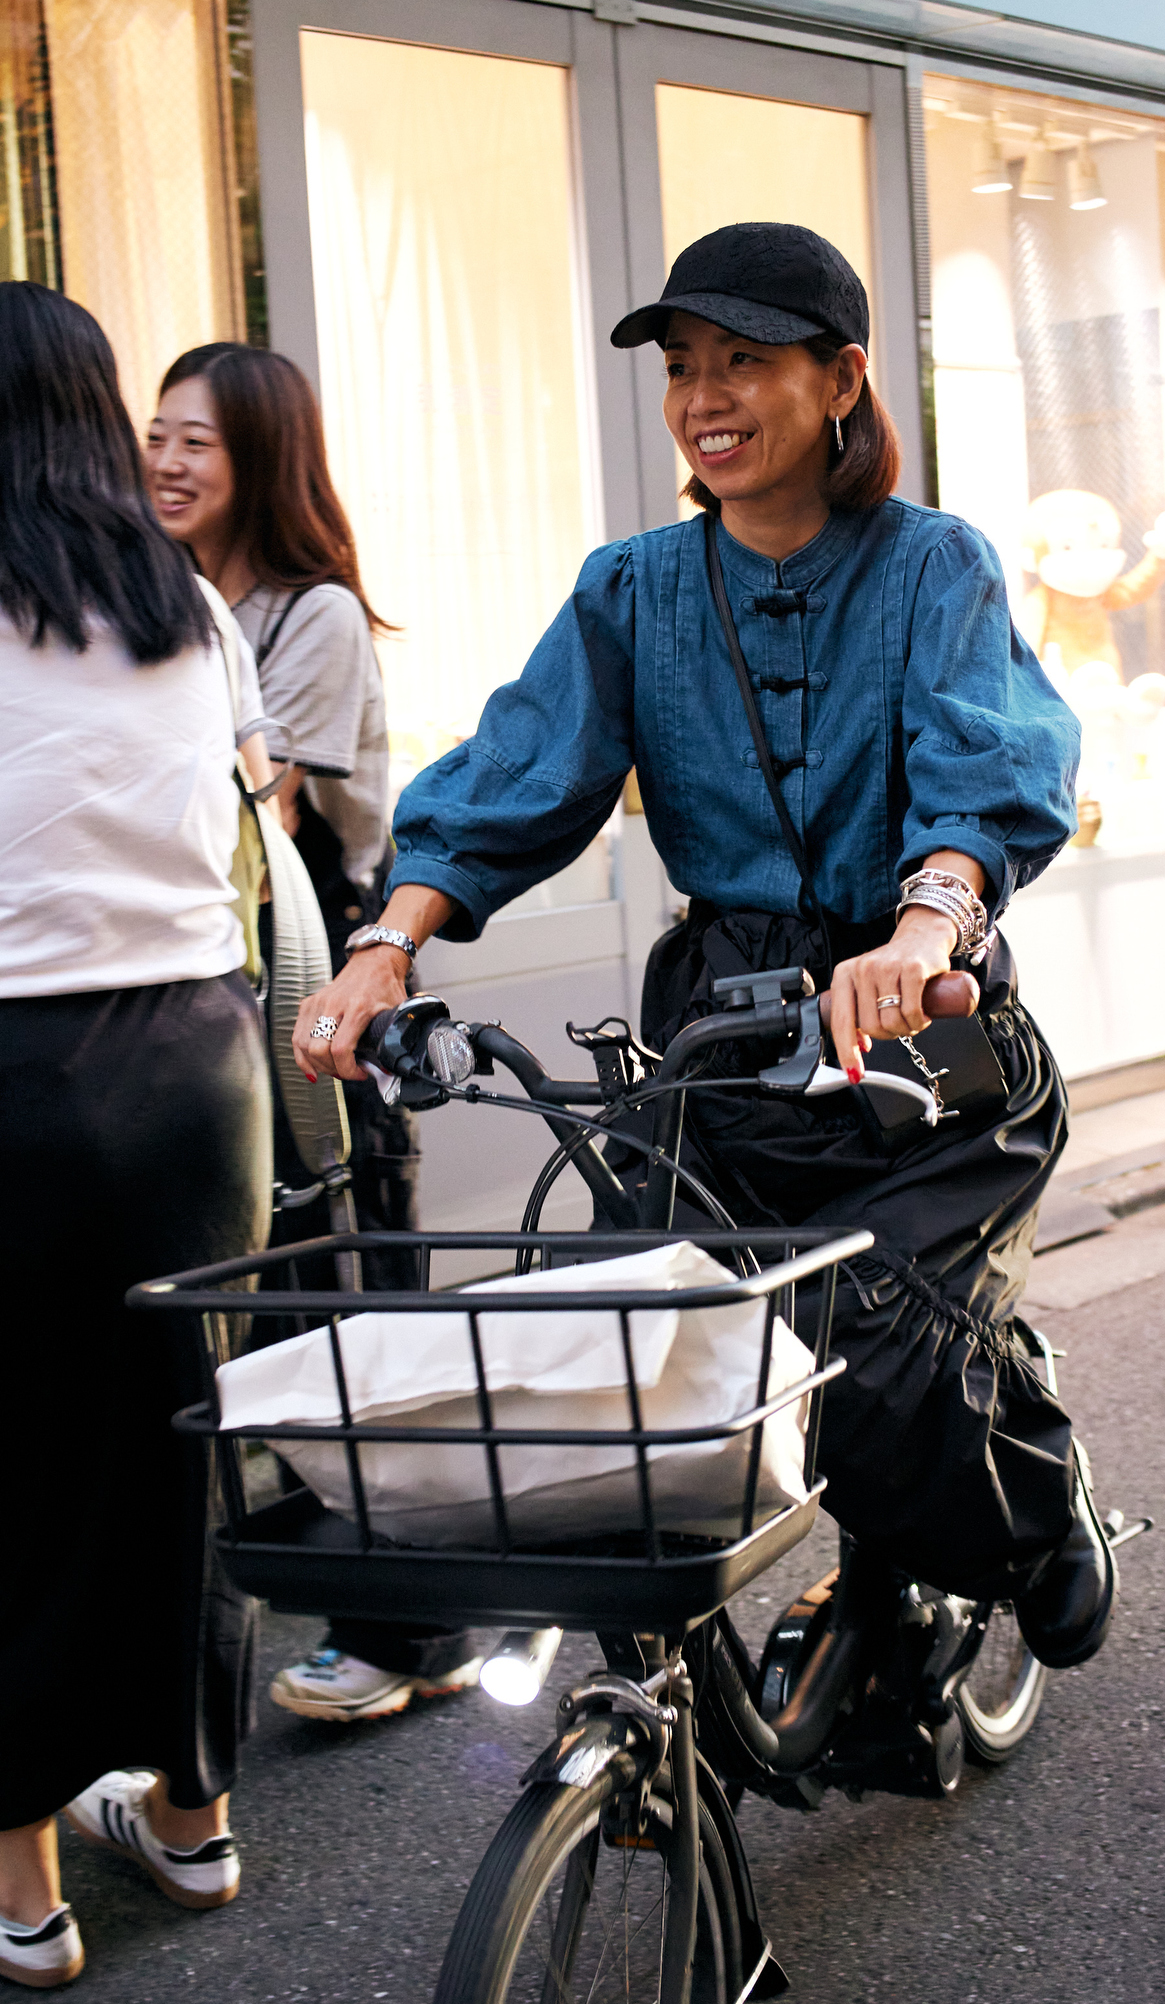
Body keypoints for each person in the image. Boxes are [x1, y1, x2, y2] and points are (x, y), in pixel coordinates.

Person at [290, 221, 1113, 1667]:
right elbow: (513, 777)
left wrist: (920, 927)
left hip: (921, 1032)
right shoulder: (630, 590)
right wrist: (384, 947)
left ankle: (1039, 1506)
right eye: (682, 368)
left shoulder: (936, 568)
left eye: (745, 361)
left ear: (841, 380)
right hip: (716, 1044)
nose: (703, 398)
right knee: (630, 1358)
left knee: (874, 1364)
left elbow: (987, 766)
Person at [144, 344, 481, 1725]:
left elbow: (264, 810)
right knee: (284, 1322)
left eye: (197, 446)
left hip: (324, 996)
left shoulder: (312, 613)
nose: (163, 463)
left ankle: (416, 1632)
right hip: (221, 994)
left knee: (359, 1313)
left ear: (262, 464)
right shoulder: (162, 596)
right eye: (154, 436)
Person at [0, 284, 272, 1989]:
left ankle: (21, 1878)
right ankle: (186, 1814)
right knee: (181, 1444)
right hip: (201, 1069)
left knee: (11, 1465)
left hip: (22, 1076)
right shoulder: (186, 603)